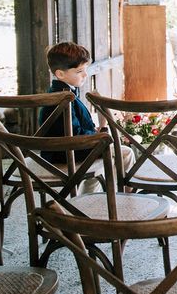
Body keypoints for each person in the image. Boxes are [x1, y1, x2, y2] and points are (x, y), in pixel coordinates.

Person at [39, 41, 132, 192]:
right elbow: (73, 134)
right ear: (60, 74)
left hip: (64, 149)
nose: (85, 74)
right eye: (79, 71)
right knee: (125, 152)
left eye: (85, 69)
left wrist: (94, 132)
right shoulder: (63, 99)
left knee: (104, 149)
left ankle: (89, 195)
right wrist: (97, 135)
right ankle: (127, 192)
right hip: (65, 153)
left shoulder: (61, 92)